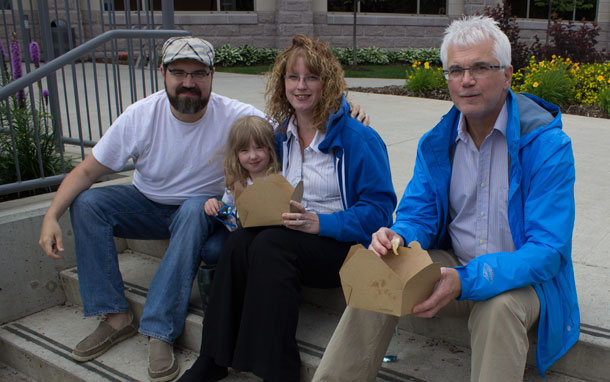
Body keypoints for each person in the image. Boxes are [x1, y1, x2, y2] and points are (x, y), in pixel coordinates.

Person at [312, 16, 579, 382]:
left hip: (523, 284)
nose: (466, 80)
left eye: (480, 68)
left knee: (497, 308)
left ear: (507, 75)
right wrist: (399, 235)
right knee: (383, 267)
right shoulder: (437, 142)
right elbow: (417, 213)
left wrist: (468, 279)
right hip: (453, 266)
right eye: (455, 70)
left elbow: (548, 251)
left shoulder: (546, 145)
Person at [38, 36, 266, 382]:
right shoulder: (141, 115)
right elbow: (86, 171)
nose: (188, 82)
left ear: (212, 76)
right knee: (88, 203)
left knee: (192, 209)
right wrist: (50, 215)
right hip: (146, 206)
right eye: (178, 72)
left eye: (198, 73)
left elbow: (294, 127)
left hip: (200, 212)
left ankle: (160, 330)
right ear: (163, 73)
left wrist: (344, 114)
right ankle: (115, 316)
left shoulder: (235, 116)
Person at [178, 34, 397, 382]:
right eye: (293, 77)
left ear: (328, 82)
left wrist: (320, 224)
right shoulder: (281, 136)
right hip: (292, 236)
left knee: (269, 245)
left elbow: (379, 211)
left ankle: (280, 370)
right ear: (282, 84)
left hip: (341, 246)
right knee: (236, 246)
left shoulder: (359, 138)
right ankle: (213, 357)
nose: (301, 86)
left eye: (311, 77)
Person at [204, 115, 280, 231]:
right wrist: (215, 205)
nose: (253, 156)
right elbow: (226, 205)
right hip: (241, 234)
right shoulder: (238, 182)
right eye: (245, 150)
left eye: (259, 148)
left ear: (270, 149)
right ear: (236, 154)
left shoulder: (279, 179)